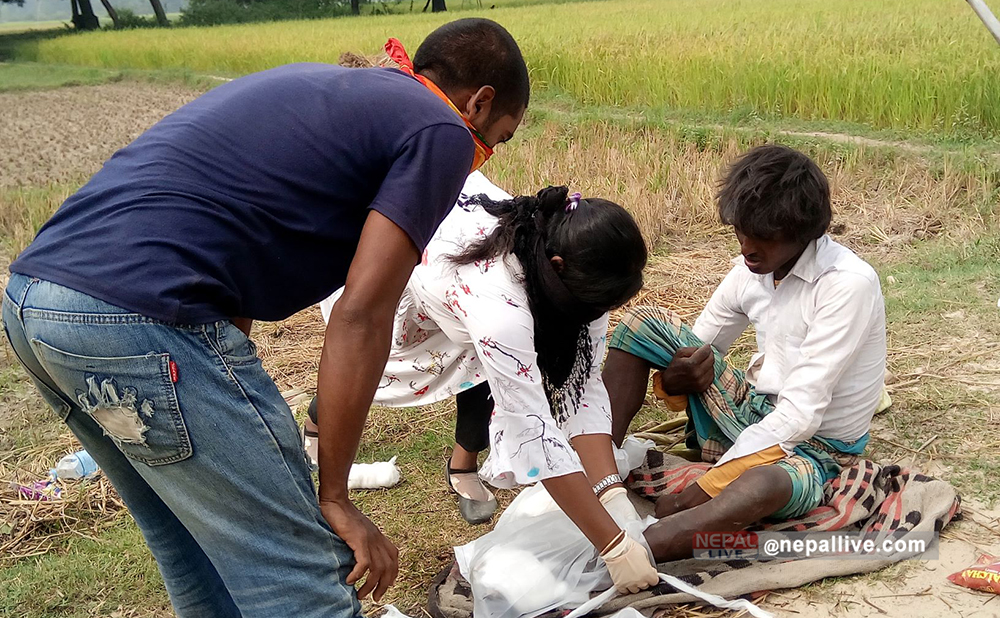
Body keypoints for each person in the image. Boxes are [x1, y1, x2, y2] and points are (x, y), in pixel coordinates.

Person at [2, 19, 528, 617]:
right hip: (139, 314)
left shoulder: (325, 89)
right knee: (301, 577)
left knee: (196, 548)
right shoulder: (441, 128)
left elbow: (233, 248)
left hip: (38, 304)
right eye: (499, 136)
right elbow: (361, 314)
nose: (485, 153)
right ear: (479, 102)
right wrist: (335, 497)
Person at [310, 172, 659, 594]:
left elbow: (580, 386)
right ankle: (318, 420)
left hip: (470, 297)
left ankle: (459, 462)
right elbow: (532, 430)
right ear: (557, 269)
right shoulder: (498, 306)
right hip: (412, 287)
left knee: (494, 377)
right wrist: (614, 546)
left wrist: (609, 489)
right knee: (365, 375)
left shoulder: (580, 270)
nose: (598, 315)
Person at [602, 145, 887, 561]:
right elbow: (698, 346)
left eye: (762, 236)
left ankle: (638, 553)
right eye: (740, 231)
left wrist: (700, 491)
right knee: (640, 324)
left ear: (803, 230)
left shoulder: (846, 285)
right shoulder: (750, 270)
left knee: (763, 485)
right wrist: (674, 380)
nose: (746, 247)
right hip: (753, 413)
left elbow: (799, 417)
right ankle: (599, 470)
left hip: (814, 449)